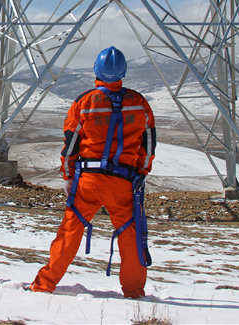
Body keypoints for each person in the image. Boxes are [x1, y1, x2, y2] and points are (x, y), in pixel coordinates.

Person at [29, 45, 156, 298]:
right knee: (130, 236)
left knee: (70, 231)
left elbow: (70, 145)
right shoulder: (139, 103)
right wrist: (141, 171)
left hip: (88, 179)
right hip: (124, 181)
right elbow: (149, 144)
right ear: (123, 72)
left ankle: (44, 284)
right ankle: (134, 291)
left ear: (96, 70)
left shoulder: (84, 102)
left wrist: (68, 175)